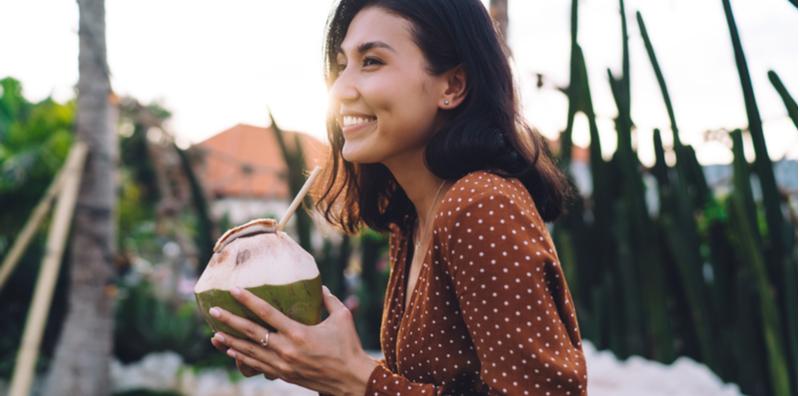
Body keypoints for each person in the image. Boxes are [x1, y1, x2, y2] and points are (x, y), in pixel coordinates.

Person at [209, 0, 588, 394]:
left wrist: (357, 379)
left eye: (371, 61)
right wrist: (316, 365)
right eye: (341, 66)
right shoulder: (414, 217)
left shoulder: (480, 206)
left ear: (453, 86)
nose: (339, 89)